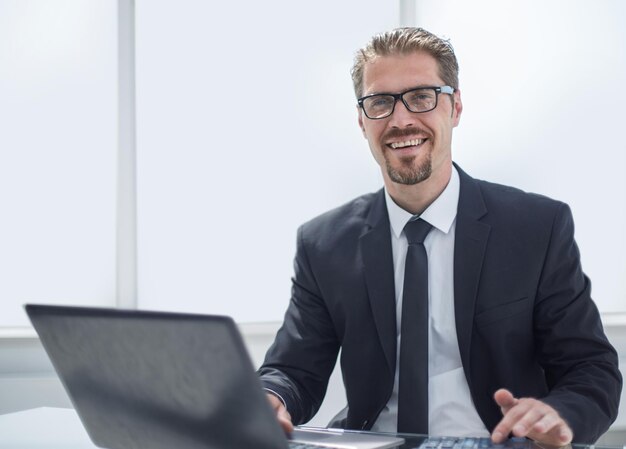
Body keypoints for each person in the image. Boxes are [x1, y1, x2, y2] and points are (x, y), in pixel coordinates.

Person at [257, 27, 622, 445]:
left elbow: (590, 368)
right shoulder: (323, 243)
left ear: (456, 107)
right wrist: (269, 397)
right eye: (380, 102)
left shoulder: (537, 227)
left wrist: (557, 415)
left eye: (421, 97)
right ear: (362, 121)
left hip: (495, 440)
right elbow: (293, 370)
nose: (400, 119)